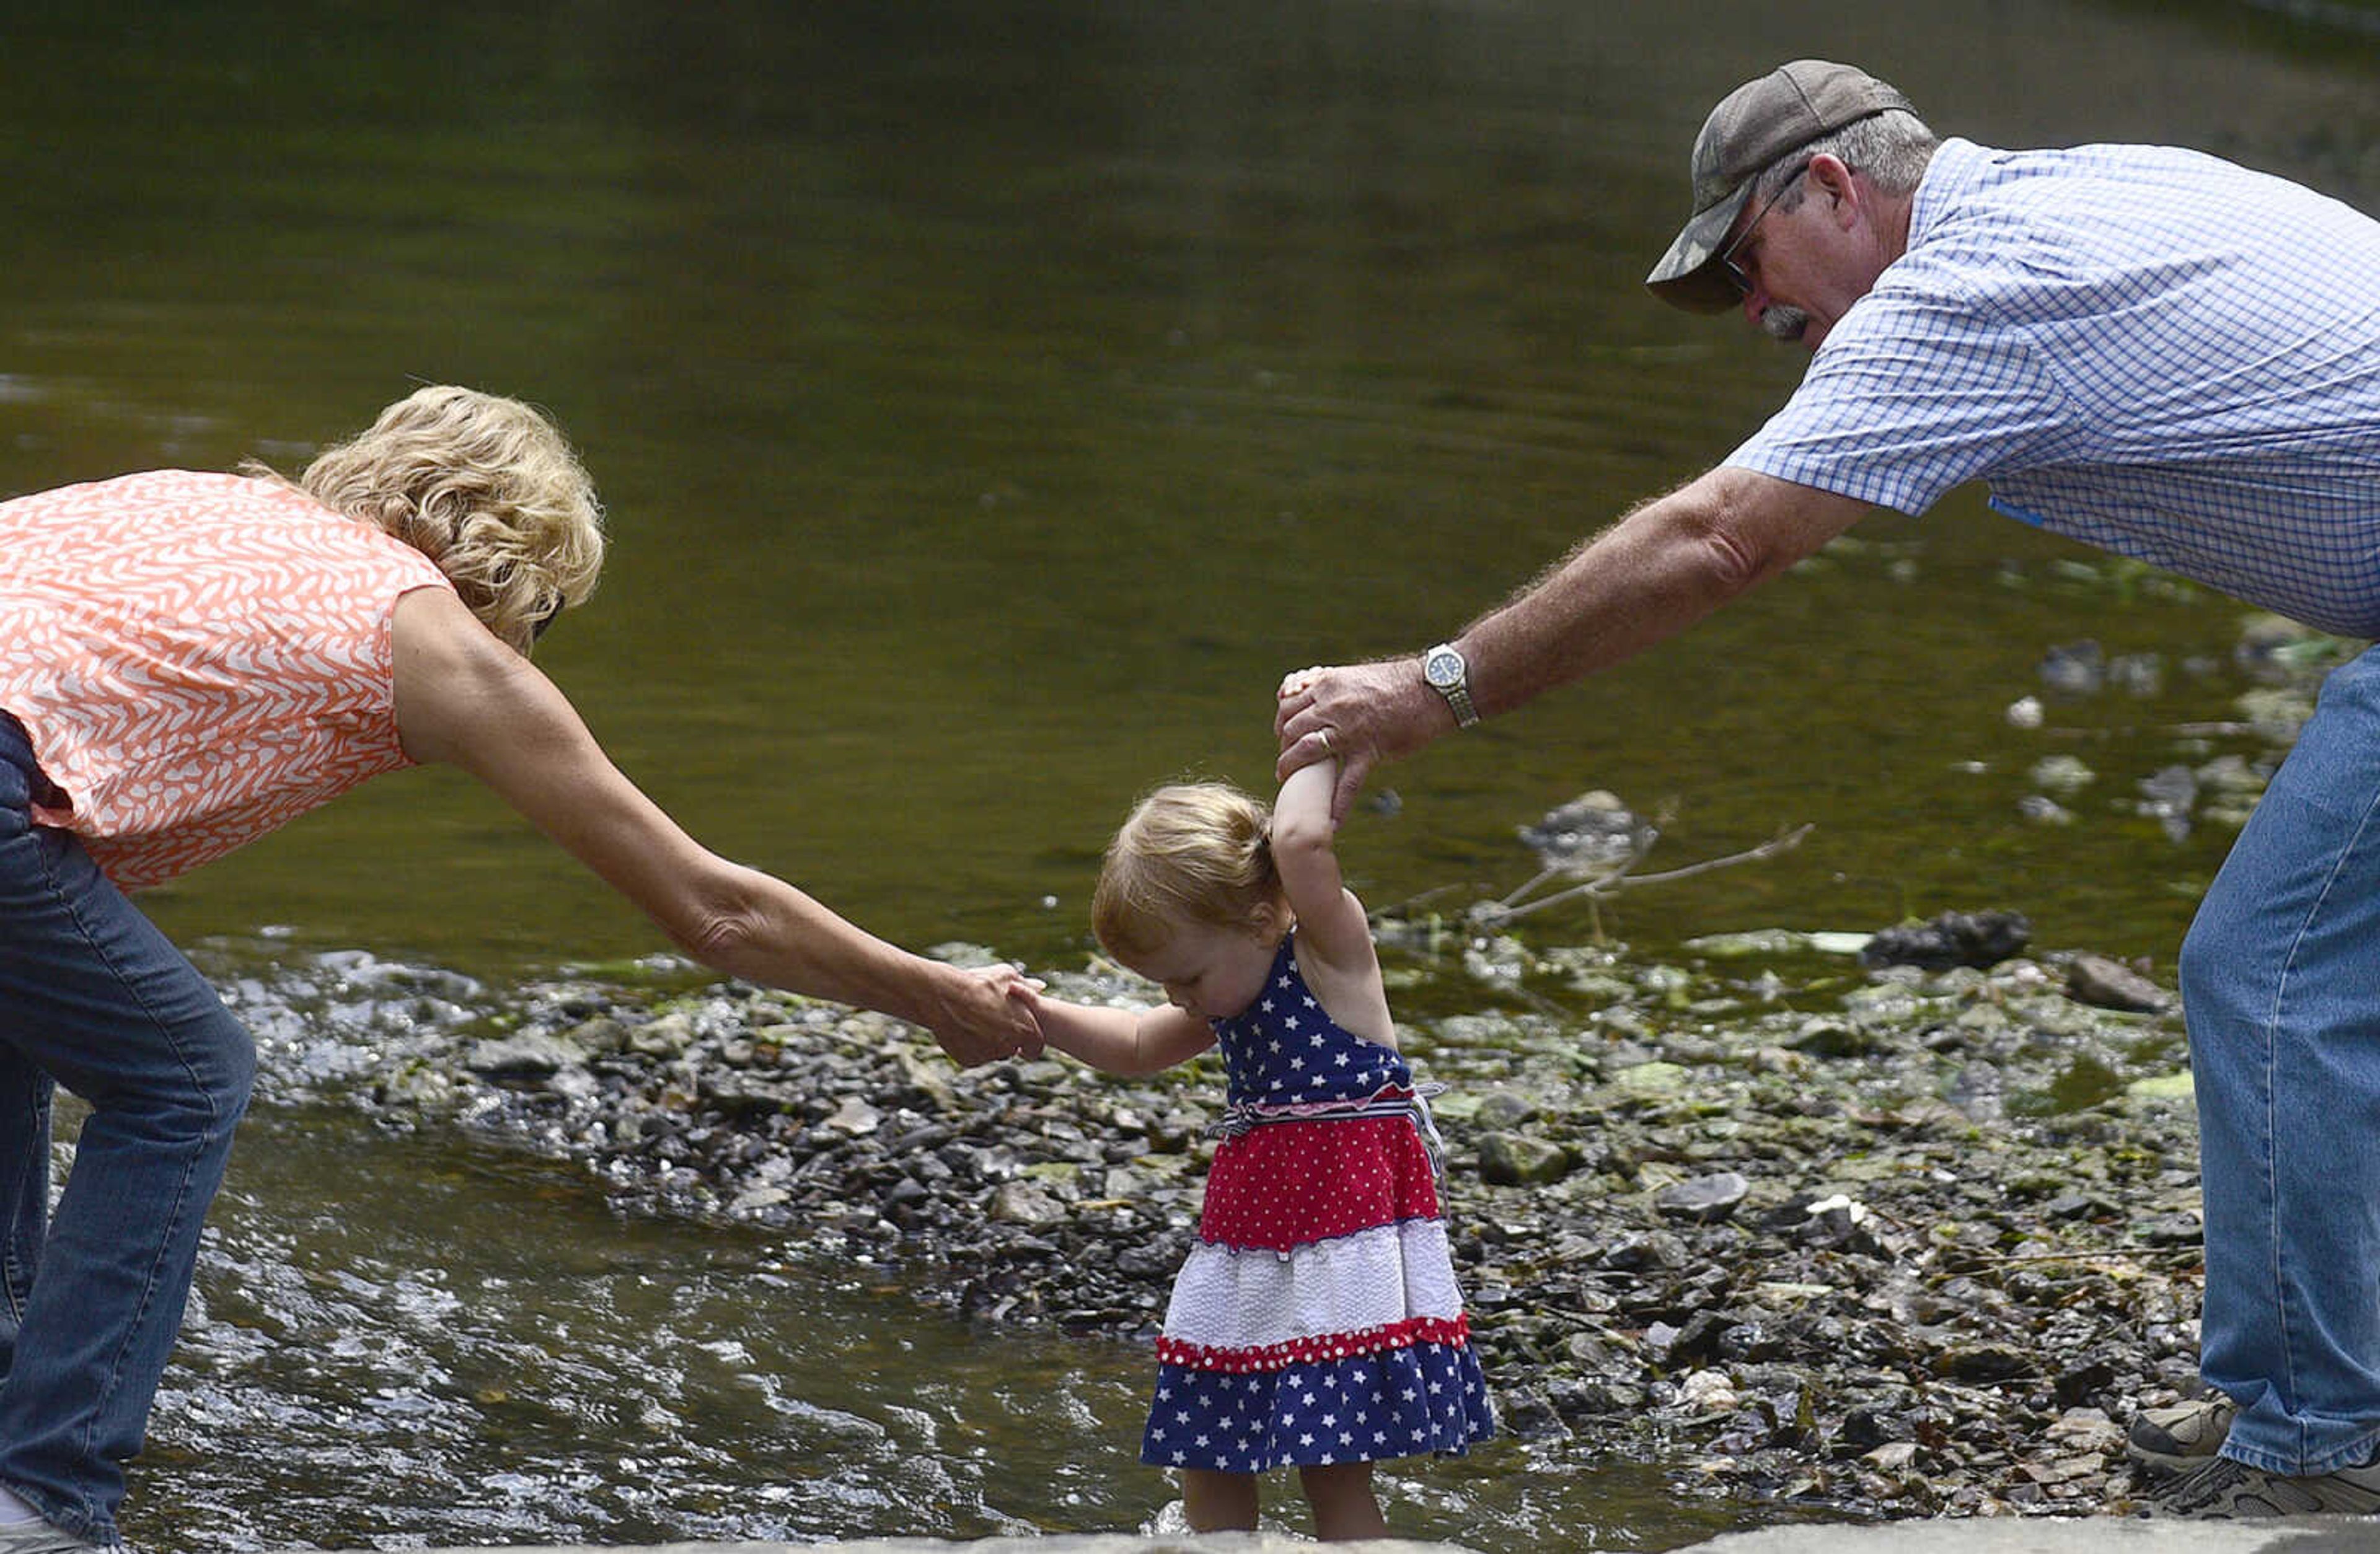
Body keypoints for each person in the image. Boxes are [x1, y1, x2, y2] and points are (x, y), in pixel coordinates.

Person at [1272, 59, 2380, 1520]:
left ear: (1833, 191)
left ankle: (2312, 1441)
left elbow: (1720, 539)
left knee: (2270, 976)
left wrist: (1431, 689)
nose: (1757, 314)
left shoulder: (1965, 291)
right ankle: (2299, 1392)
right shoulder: (2087, 180)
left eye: (1747, 264)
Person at [0, 385, 1042, 1552]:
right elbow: (718, 912)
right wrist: (931, 992)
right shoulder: (434, 637)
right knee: (188, 1075)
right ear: (519, 561)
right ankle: (45, 1495)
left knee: (24, 1011)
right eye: (551, 610)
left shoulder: (205, 504)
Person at [1018, 752, 1493, 1541]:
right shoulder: (1226, 998)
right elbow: (1135, 1044)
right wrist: (1038, 1012)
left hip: (1342, 1251)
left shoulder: (1328, 957)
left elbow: (1303, 842)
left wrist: (1322, 738)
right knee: (1208, 1446)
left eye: (1188, 977)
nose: (1179, 998)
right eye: (1168, 984)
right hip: (1249, 1243)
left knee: (1331, 1467)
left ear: (1261, 917)